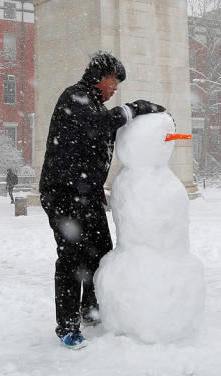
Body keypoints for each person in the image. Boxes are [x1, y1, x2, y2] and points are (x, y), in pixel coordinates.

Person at [38, 51, 166, 349]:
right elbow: (98, 125)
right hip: (62, 192)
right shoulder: (75, 98)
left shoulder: (94, 104)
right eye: (114, 82)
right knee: (71, 257)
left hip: (85, 194)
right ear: (102, 78)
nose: (115, 89)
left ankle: (90, 308)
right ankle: (67, 328)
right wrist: (135, 108)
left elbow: (101, 132)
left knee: (100, 252)